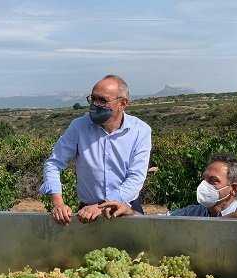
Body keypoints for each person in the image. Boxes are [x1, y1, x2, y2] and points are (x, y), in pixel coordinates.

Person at [39, 75, 152, 225]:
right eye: (93, 99)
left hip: (125, 209)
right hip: (86, 213)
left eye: (102, 100)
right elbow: (53, 163)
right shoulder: (79, 127)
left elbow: (136, 177)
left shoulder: (140, 131)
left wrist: (101, 206)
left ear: (122, 103)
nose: (95, 105)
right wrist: (58, 203)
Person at [99, 154, 237, 219]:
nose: (204, 185)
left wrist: (224, 222)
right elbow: (160, 221)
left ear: (233, 189)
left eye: (213, 181)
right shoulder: (194, 213)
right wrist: (130, 211)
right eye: (204, 179)